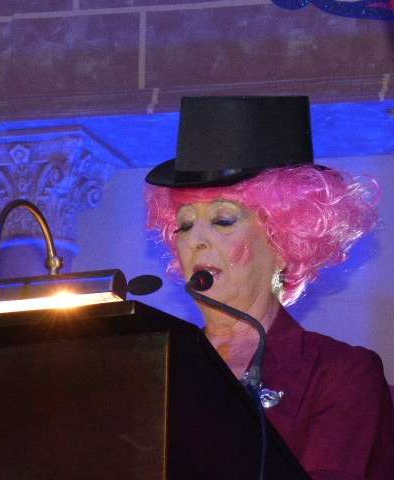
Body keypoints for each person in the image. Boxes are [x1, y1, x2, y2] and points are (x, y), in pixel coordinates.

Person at [145, 96, 394, 479]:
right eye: (185, 224)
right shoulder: (157, 371)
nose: (196, 240)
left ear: (283, 243)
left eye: (223, 220)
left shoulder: (340, 374)